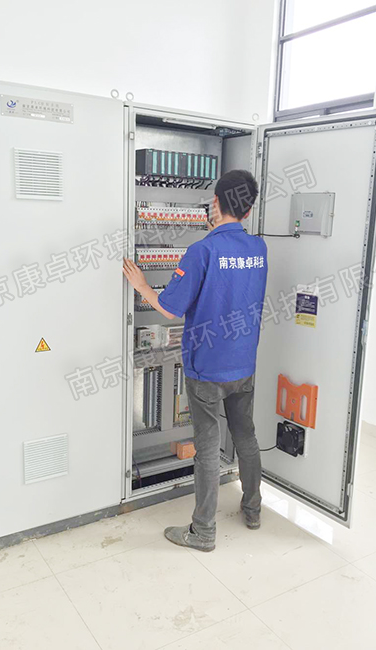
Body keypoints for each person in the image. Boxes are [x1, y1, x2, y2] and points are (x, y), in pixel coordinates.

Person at [123, 170, 268, 552]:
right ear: (248, 210)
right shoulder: (259, 248)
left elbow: (170, 308)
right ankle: (252, 510)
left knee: (206, 446)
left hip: (206, 367)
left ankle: (203, 532)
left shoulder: (202, 251)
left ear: (215, 203)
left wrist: (141, 285)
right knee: (245, 436)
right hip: (243, 363)